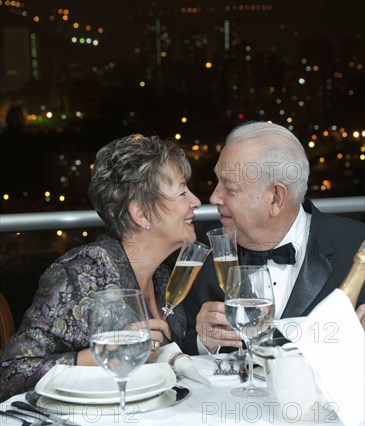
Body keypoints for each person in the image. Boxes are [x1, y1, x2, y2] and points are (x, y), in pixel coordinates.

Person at [0, 134, 201, 401]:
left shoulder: (163, 278)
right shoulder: (81, 275)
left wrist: (203, 341)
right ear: (141, 214)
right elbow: (12, 373)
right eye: (182, 192)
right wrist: (104, 353)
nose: (197, 201)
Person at [183, 121, 365, 354]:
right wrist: (202, 342)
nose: (214, 197)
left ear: (276, 198)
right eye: (216, 181)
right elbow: (178, 345)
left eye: (230, 188)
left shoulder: (356, 246)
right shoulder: (201, 251)